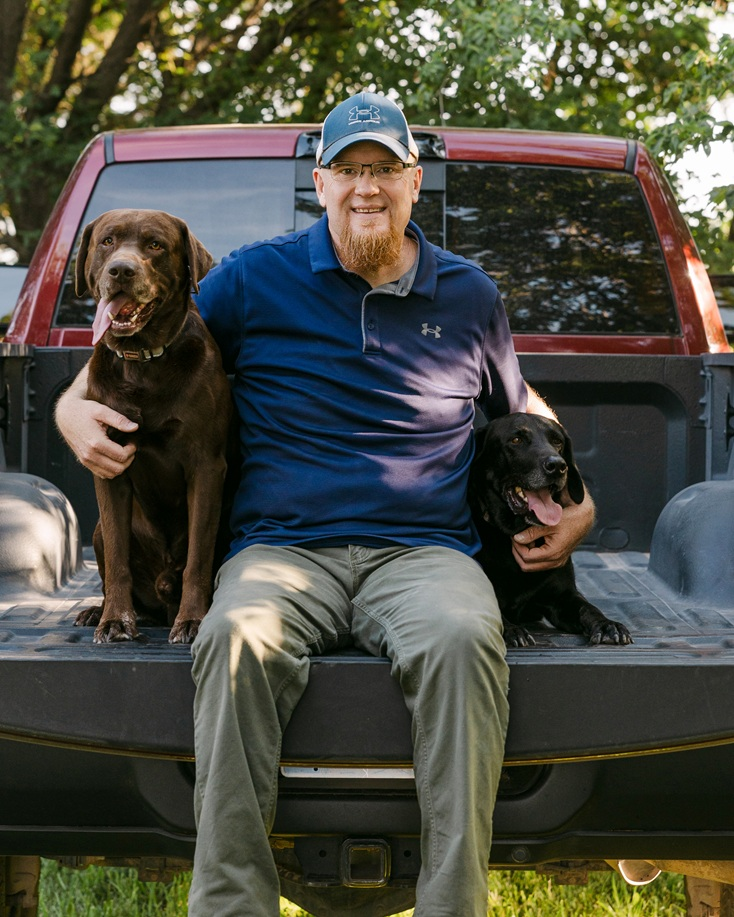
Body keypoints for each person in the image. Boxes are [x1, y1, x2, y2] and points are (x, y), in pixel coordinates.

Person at [56, 91, 594, 917]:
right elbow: (146, 340)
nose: (366, 188)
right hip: (281, 551)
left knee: (461, 636)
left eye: (384, 170)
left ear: (415, 183)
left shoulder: (469, 294)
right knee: (235, 637)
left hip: (424, 553)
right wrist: (67, 407)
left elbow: (521, 407)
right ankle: (231, 907)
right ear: (321, 183)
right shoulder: (253, 277)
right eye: (349, 170)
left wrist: (579, 505)